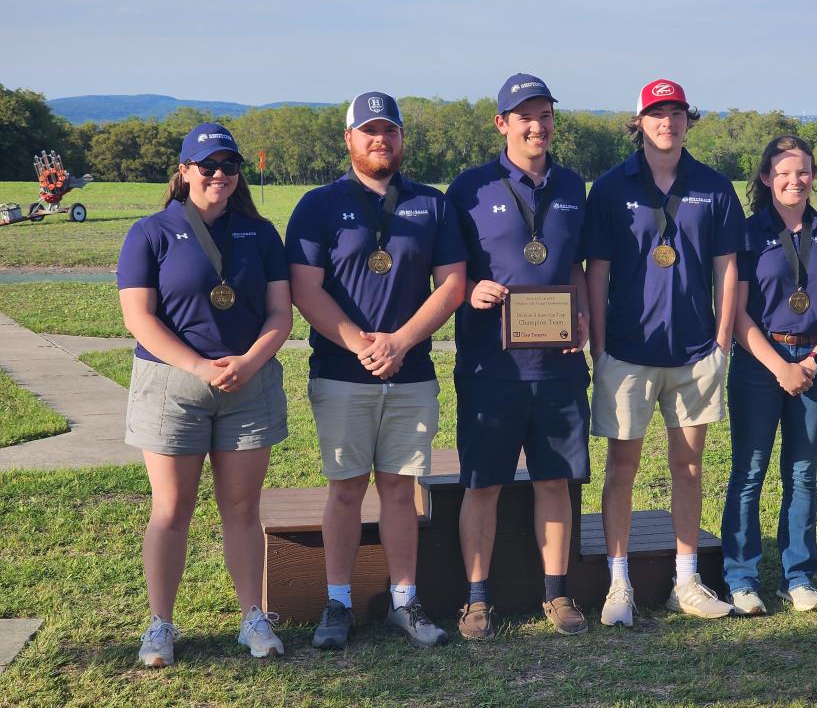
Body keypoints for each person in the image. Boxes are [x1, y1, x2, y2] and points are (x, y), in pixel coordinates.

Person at [286, 91, 466, 649]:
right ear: (349, 139)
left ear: (402, 138)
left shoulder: (431, 205)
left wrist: (402, 341)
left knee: (399, 488)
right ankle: (337, 603)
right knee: (344, 489)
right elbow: (303, 288)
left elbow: (453, 283)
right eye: (368, 130)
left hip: (410, 374)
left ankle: (404, 601)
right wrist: (360, 344)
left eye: (389, 130)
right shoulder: (318, 204)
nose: (379, 139)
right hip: (343, 372)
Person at [118, 123, 292, 667]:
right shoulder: (150, 232)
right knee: (171, 510)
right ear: (185, 170)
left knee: (243, 509)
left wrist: (248, 362)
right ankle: (161, 626)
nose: (219, 175)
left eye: (229, 166)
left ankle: (252, 619)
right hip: (173, 384)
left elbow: (280, 314)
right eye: (208, 166)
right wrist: (197, 365)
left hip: (247, 382)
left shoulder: (259, 234)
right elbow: (138, 318)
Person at [584, 79, 744, 624]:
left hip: (696, 352)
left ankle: (686, 579)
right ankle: (618, 582)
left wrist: (722, 341)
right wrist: (600, 347)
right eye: (656, 114)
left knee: (689, 467)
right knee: (621, 467)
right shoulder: (609, 188)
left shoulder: (714, 186)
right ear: (640, 123)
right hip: (627, 352)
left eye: (676, 113)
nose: (667, 123)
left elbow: (727, 268)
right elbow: (596, 272)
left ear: (686, 121)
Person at [446, 73, 591, 640]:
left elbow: (577, 268)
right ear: (501, 123)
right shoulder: (470, 188)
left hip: (558, 365)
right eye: (525, 116)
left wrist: (580, 318)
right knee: (482, 483)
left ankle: (557, 594)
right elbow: (447, 273)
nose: (538, 126)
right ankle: (476, 600)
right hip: (491, 366)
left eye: (546, 115)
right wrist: (470, 290)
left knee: (555, 481)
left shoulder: (575, 186)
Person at [721, 135, 817, 615]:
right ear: (765, 178)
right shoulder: (745, 232)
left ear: (813, 176)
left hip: (815, 364)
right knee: (748, 472)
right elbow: (736, 313)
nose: (793, 180)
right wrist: (779, 365)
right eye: (782, 172)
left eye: (802, 171)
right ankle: (741, 579)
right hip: (760, 364)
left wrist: (814, 361)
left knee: (802, 473)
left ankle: (798, 578)